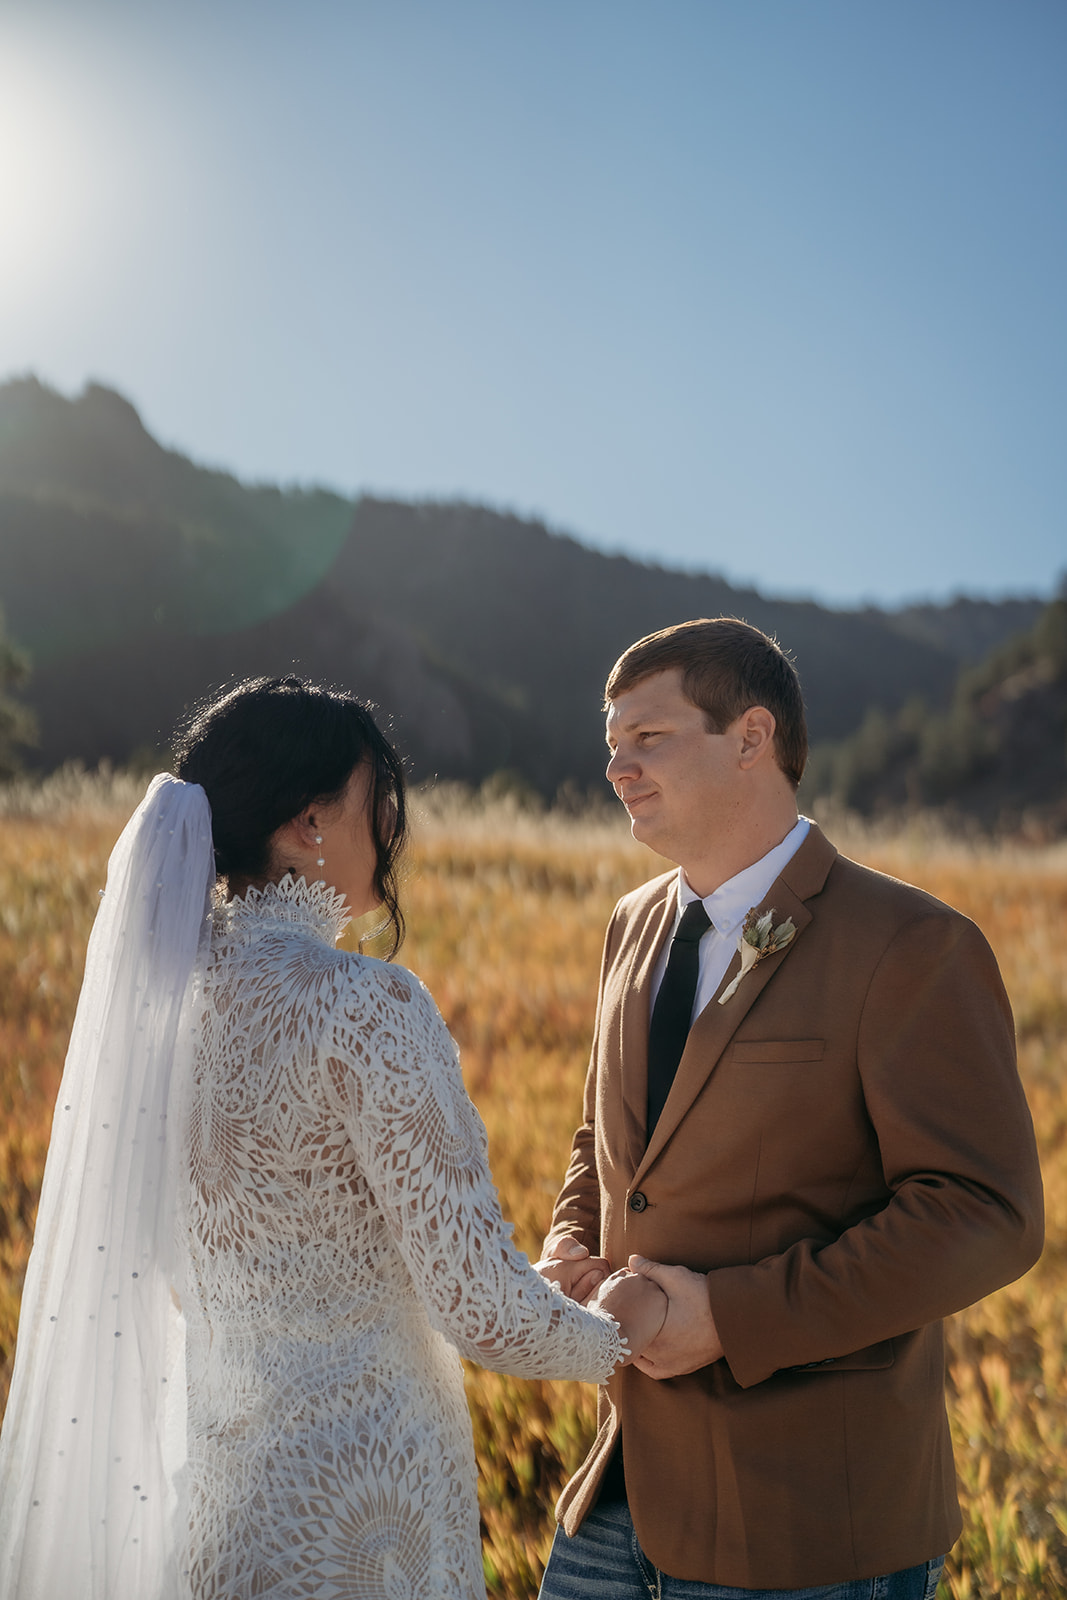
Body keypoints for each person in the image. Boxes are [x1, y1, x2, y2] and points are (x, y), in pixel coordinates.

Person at [0, 675, 667, 1600]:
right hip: (363, 1517)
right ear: (310, 823)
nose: (393, 828)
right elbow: (476, 1306)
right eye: (378, 802)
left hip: (226, 1508)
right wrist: (619, 1334)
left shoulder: (162, 1016)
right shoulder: (363, 1007)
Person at [537, 617, 1044, 1600]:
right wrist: (569, 1242)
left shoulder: (907, 943)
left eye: (649, 738)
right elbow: (607, 1137)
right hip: (618, 1486)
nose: (616, 767)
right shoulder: (630, 924)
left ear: (750, 737)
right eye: (611, 744)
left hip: (810, 1518)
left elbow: (985, 1214)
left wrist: (727, 1317)